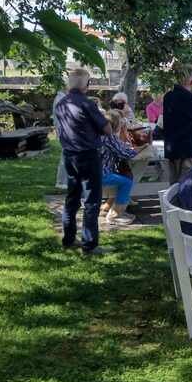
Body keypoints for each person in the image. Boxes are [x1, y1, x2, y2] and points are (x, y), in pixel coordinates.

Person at [54, 68, 112, 255]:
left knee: (71, 198)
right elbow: (108, 129)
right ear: (86, 85)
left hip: (69, 155)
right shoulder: (87, 104)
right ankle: (89, 245)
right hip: (87, 155)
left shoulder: (60, 103)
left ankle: (69, 239)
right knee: (91, 201)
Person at [100, 110, 139, 225]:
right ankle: (115, 215)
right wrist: (142, 147)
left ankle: (113, 207)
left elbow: (121, 147)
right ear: (116, 125)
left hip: (92, 172)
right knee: (127, 181)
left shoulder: (101, 134)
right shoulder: (109, 137)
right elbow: (126, 153)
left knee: (124, 176)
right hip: (101, 175)